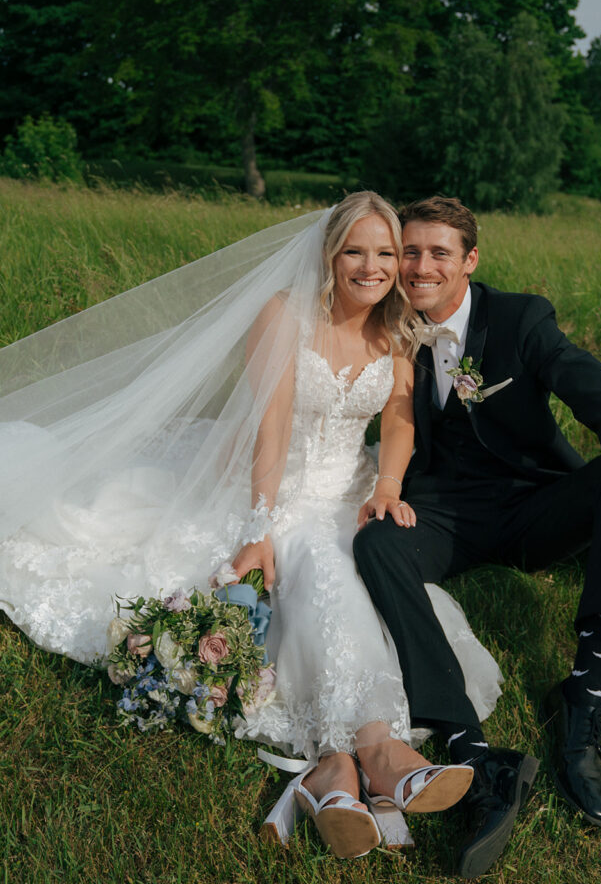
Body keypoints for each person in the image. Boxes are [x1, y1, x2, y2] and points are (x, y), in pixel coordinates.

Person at [0, 192, 502, 859]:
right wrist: (261, 525)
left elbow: (401, 418)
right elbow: (269, 432)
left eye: (385, 253)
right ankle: (373, 750)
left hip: (345, 492)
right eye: (355, 250)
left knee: (367, 573)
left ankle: (336, 771)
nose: (371, 266)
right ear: (329, 254)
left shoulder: (396, 325)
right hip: (270, 487)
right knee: (327, 572)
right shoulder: (284, 316)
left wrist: (385, 486)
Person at [354, 195, 601, 877]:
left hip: (532, 505)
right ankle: (467, 748)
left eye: (438, 252)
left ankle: (582, 697)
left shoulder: (520, 320)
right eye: (408, 251)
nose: (419, 267)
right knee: (375, 543)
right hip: (440, 512)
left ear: (469, 260)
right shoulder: (382, 319)